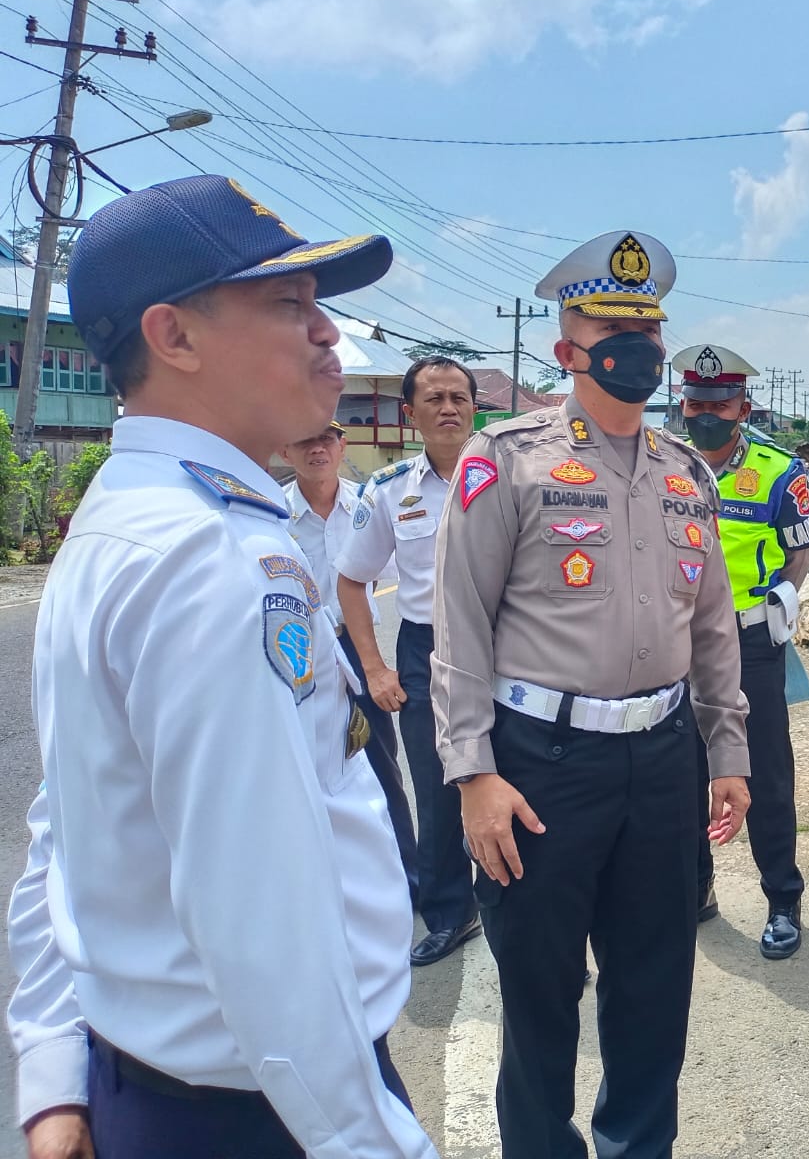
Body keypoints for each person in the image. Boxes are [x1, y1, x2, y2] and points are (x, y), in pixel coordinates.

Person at [5, 174, 434, 1157]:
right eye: (289, 304)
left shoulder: (129, 517)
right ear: (176, 337)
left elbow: (75, 825)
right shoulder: (216, 557)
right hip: (269, 1107)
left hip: (166, 1083)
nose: (328, 334)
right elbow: (266, 931)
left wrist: (56, 1069)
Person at [431, 230, 751, 1157]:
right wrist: (472, 773)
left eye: (647, 327)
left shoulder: (686, 472)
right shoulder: (506, 459)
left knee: (654, 990)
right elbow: (458, 627)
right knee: (538, 997)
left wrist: (725, 752)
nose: (635, 346)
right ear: (566, 348)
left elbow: (713, 629)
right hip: (540, 765)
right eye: (609, 327)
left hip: (659, 760)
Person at [673, 342, 809, 959]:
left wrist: (783, 596)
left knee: (763, 773)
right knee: (679, 772)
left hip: (748, 640)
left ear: (743, 407)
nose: (707, 412)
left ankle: (782, 899)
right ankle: (697, 887)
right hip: (674, 643)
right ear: (683, 404)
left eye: (720, 403)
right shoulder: (662, 464)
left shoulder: (781, 473)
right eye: (697, 402)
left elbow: (800, 549)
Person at [336, 356, 480, 966]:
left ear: (475, 405)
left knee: (524, 777)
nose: (448, 407)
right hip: (427, 651)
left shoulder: (511, 476)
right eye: (434, 399)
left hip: (508, 648)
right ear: (410, 413)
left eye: (458, 396)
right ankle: (451, 913)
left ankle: (533, 920)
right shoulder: (390, 492)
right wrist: (374, 668)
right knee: (437, 780)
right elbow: (351, 582)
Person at [282, 421, 418, 907]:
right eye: (305, 440)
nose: (317, 448)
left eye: (327, 440)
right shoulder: (272, 514)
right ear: (286, 449)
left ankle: (408, 874)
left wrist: (378, 665)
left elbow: (408, 570)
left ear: (342, 447)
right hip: (292, 657)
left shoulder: (372, 503)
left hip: (356, 649)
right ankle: (318, 886)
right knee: (299, 768)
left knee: (380, 764)